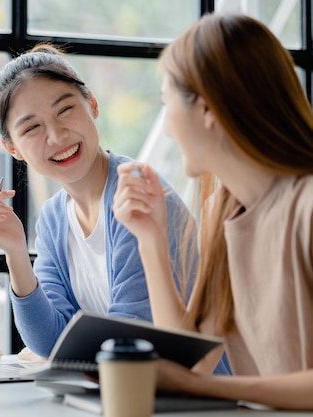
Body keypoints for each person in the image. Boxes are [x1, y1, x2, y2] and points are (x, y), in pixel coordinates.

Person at [0, 43, 233, 373]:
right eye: (32, 128)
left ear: (92, 104)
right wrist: (15, 254)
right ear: (12, 148)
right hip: (131, 390)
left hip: (197, 397)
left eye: (65, 110)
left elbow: (126, 340)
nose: (56, 135)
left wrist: (54, 354)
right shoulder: (54, 217)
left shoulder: (136, 197)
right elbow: (48, 339)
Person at [112, 12, 313, 410]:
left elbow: (198, 380)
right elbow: (196, 360)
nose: (167, 127)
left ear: (207, 110)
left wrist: (214, 390)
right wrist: (150, 239)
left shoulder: (306, 206)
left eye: (167, 102)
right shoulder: (220, 212)